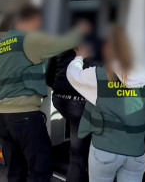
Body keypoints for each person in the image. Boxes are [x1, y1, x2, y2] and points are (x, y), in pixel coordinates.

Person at [0, 5, 90, 182]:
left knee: (16, 171)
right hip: (24, 117)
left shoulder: (1, 44)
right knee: (40, 169)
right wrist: (81, 30)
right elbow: (63, 42)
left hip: (1, 117)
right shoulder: (30, 40)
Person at [66, 27, 145, 182]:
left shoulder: (98, 75)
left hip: (105, 152)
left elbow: (73, 75)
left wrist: (79, 57)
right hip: (135, 153)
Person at [46, 23, 100, 182]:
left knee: (78, 139)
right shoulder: (96, 46)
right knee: (80, 155)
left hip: (60, 99)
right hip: (82, 103)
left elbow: (49, 77)